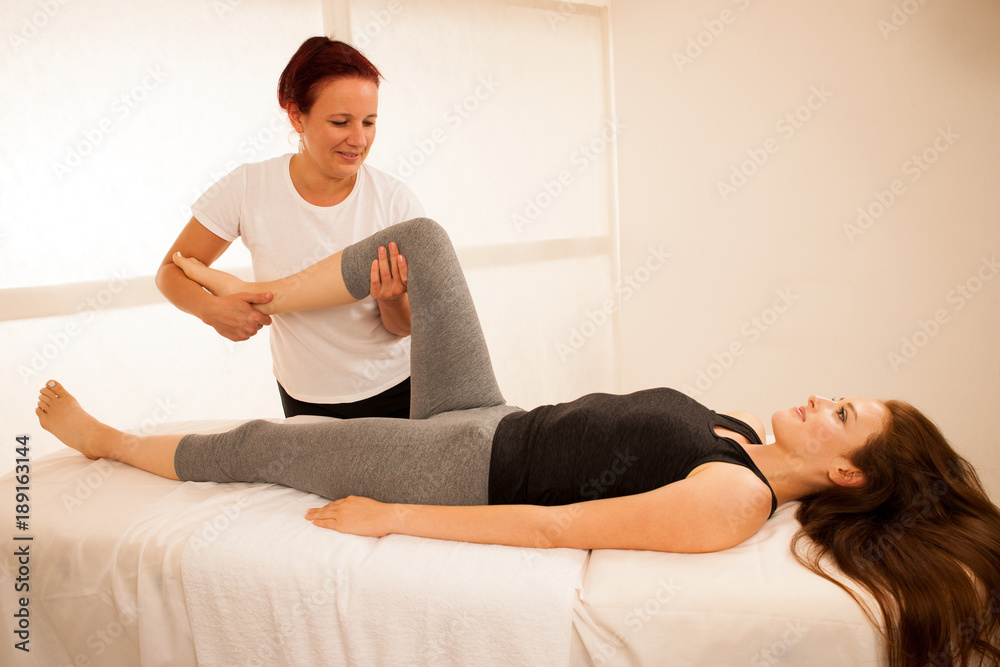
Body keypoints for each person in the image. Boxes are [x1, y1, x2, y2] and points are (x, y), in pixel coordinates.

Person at [38, 218, 1000, 667]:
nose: (825, 398)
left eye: (843, 414)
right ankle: (256, 295)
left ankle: (109, 441)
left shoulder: (736, 498)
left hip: (460, 467)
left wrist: (391, 515)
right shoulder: (740, 433)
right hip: (488, 411)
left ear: (846, 469)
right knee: (424, 242)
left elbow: (554, 528)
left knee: (264, 443)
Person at [155, 36, 423, 420]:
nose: (359, 139)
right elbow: (171, 271)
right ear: (297, 116)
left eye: (369, 122)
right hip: (302, 396)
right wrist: (210, 309)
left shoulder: (395, 202)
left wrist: (393, 300)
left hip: (396, 390)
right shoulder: (249, 187)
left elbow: (403, 327)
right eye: (340, 122)